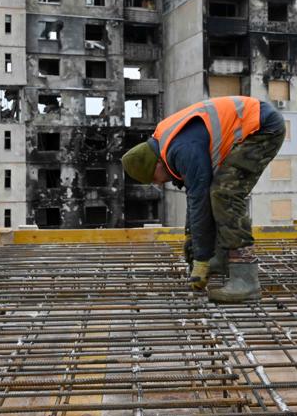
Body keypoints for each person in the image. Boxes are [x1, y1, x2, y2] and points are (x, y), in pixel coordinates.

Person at [121, 96, 285, 303]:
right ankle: (222, 258)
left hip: (262, 128)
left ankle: (246, 279)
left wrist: (200, 257)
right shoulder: (167, 142)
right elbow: (195, 195)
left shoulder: (182, 150)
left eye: (154, 179)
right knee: (215, 192)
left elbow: (198, 199)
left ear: (155, 165)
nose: (159, 184)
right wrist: (193, 242)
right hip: (255, 122)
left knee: (225, 193)